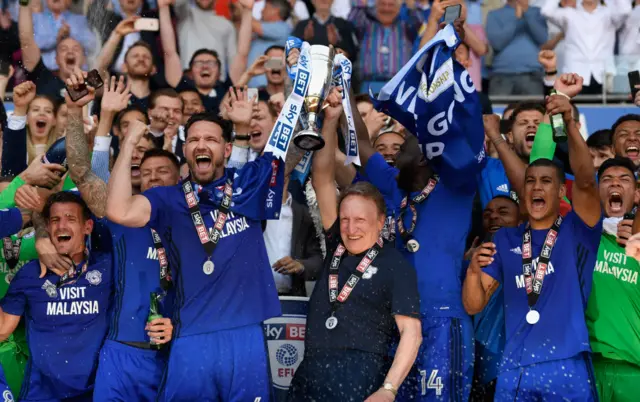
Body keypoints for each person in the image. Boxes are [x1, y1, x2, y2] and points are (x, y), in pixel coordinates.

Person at [105, 87, 286, 399]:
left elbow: (288, 155)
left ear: (226, 150)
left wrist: (280, 115)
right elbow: (118, 210)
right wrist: (129, 144)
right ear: (185, 150)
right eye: (194, 140)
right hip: (192, 338)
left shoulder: (247, 189)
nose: (202, 145)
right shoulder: (168, 198)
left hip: (245, 337)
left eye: (212, 140)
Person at [462, 78, 603, 400]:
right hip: (514, 367)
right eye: (530, 182)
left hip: (566, 363)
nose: (537, 187)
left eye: (545, 182)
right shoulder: (506, 238)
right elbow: (474, 304)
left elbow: (584, 181)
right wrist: (472, 273)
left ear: (558, 191)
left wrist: (568, 121)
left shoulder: (577, 230)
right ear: (522, 192)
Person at [288, 87, 421, 401]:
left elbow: (411, 334)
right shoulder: (337, 243)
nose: (350, 228)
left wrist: (389, 389)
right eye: (345, 219)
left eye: (360, 221)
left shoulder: (395, 265)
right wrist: (331, 120)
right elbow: (322, 177)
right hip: (311, 370)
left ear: (380, 221)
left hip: (362, 372)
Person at [63, 72, 176, 401]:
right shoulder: (121, 219)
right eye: (146, 173)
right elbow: (82, 172)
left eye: (162, 172)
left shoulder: (195, 225)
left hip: (176, 354)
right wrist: (75, 110)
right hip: (121, 356)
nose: (152, 178)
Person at [0, 191, 112, 401]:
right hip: (42, 393)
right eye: (55, 220)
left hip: (97, 391)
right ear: (47, 228)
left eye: (71, 219)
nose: (61, 226)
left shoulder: (109, 268)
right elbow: (2, 329)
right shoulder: (30, 274)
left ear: (87, 226)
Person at [586, 156, 640, 402]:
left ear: (636, 194)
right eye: (606, 179)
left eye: (624, 179)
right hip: (586, 367)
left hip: (633, 370)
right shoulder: (580, 237)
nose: (615, 183)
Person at [468, 195, 520, 401]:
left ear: (521, 222)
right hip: (474, 357)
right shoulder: (470, 259)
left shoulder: (526, 256)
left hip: (507, 363)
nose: (494, 217)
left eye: (503, 212)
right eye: (487, 214)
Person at [18, 2, 86, 99]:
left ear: (84, 59)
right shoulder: (44, 78)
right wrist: (24, 4)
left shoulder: (90, 82)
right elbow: (26, 41)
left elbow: (103, 66)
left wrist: (116, 35)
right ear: (56, 59)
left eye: (75, 48)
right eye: (63, 49)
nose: (70, 52)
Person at [486, 0, 548, 96]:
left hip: (532, 75)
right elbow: (497, 43)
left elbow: (543, 39)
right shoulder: (494, 14)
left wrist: (526, 12)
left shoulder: (537, 12)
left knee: (533, 110)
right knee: (498, 111)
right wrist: (517, 19)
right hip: (502, 75)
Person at [2, 82, 62, 176]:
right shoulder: (15, 148)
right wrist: (20, 108)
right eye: (35, 110)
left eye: (48, 111)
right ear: (26, 118)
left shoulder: (62, 149)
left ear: (54, 120)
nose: (41, 113)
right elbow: (10, 175)